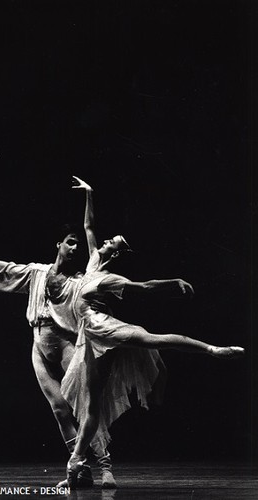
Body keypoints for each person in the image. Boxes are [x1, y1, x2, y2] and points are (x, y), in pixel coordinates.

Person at [51, 177, 245, 488]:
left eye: (110, 242)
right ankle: (74, 466)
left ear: (115, 253)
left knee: (152, 339)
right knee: (90, 410)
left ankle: (212, 349)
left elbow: (145, 287)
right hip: (89, 340)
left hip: (106, 329)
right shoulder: (93, 263)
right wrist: (89, 193)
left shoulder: (109, 277)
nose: (103, 242)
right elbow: (89, 228)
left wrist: (174, 282)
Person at [0, 225, 116, 489]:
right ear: (58, 244)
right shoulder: (37, 273)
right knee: (60, 410)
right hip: (39, 347)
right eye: (70, 243)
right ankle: (80, 470)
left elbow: (97, 295)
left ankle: (105, 466)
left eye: (78, 246)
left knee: (83, 406)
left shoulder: (78, 281)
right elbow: (7, 271)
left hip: (65, 344)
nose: (74, 248)